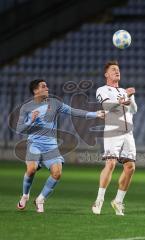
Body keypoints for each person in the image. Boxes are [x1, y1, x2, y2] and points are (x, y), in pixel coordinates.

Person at [16, 79, 105, 213]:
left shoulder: (54, 103)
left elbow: (73, 111)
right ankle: (25, 196)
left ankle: (40, 199)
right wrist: (30, 121)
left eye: (46, 85)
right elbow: (19, 129)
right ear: (35, 90)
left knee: (57, 173)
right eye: (43, 86)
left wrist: (95, 114)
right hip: (35, 143)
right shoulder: (26, 107)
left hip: (50, 145)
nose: (47, 88)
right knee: (31, 169)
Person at [92, 60, 137, 216]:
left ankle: (118, 201)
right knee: (110, 163)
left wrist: (129, 98)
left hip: (128, 132)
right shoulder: (102, 90)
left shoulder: (125, 90)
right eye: (113, 69)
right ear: (107, 74)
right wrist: (122, 100)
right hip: (113, 130)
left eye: (118, 69)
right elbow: (107, 107)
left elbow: (134, 110)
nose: (117, 71)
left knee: (130, 168)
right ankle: (99, 200)